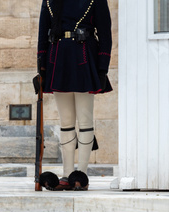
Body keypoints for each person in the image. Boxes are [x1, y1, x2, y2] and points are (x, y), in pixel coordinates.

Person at [37, 0, 113, 191]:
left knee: (85, 119)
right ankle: (67, 174)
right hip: (58, 58)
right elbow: (42, 34)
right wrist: (42, 67)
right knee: (66, 121)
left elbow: (105, 34)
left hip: (84, 57)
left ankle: (81, 175)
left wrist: (102, 67)